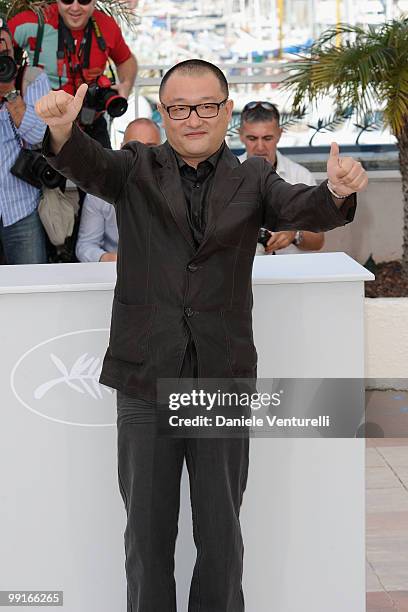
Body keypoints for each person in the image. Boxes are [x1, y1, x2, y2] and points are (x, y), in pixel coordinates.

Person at [35, 59, 368, 612]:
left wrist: (334, 192)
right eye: (181, 108)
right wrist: (65, 128)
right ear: (163, 113)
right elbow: (88, 165)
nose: (194, 118)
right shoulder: (135, 168)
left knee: (221, 538)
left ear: (227, 111)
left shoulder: (254, 178)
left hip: (222, 375)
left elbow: (302, 207)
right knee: (145, 538)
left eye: (207, 106)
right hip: (145, 375)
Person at [8, 0, 137, 148]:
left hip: (92, 125)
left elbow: (126, 60)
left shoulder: (106, 25)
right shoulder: (34, 21)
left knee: (104, 170)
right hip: (46, 127)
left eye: (83, 0)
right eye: (67, 0)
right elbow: (3, 45)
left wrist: (126, 85)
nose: (75, 8)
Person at [239, 100, 325, 255]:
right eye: (252, 138)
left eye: (267, 138)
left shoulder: (301, 176)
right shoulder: (225, 173)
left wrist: (294, 234)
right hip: (238, 275)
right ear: (241, 136)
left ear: (279, 134)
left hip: (290, 274)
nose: (260, 147)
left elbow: (318, 241)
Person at [0, 16, 50, 264]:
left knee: (32, 292)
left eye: (3, 46)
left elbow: (40, 135)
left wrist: (10, 92)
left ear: (12, 44)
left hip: (20, 208)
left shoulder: (32, 79)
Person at [76, 118, 161, 262]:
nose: (143, 155)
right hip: (115, 272)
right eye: (134, 147)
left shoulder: (178, 184)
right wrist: (110, 259)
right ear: (121, 149)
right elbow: (85, 246)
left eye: (150, 147)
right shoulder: (99, 190)